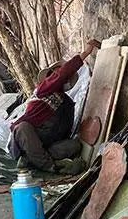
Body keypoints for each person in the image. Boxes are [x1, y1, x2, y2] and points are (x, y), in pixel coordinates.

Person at [9, 39, 101, 174]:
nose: (60, 76)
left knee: (74, 145)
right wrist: (85, 53)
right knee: (23, 128)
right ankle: (51, 167)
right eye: (56, 74)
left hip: (46, 147)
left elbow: (65, 133)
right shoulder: (42, 90)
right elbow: (61, 75)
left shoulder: (67, 104)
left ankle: (31, 162)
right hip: (27, 142)